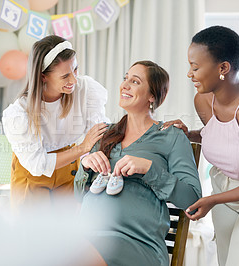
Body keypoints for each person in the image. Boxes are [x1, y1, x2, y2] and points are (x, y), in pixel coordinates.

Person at [162, 25, 239, 266]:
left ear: (223, 68)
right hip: (225, 195)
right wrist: (191, 134)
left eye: (196, 67)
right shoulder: (203, 100)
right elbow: (225, 137)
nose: (189, 74)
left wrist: (212, 201)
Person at [74, 60, 202, 266]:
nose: (124, 85)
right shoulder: (104, 133)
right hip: (87, 233)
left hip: (137, 243)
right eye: (125, 79)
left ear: (152, 95)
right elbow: (78, 195)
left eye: (134, 81)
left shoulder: (171, 136)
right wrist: (86, 166)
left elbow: (193, 200)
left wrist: (149, 169)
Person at [2, 35, 109, 211]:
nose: (74, 80)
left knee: (65, 231)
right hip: (32, 172)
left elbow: (97, 133)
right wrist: (82, 148)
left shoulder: (85, 90)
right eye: (65, 76)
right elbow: (38, 165)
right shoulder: (20, 113)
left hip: (69, 166)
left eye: (75, 69)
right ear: (43, 77)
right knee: (33, 232)